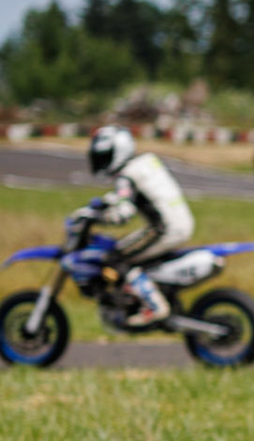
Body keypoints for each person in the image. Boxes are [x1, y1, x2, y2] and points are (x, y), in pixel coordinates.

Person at [71, 126, 194, 328]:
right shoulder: (145, 162)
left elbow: (124, 212)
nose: (101, 161)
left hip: (164, 230)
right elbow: (131, 195)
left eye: (104, 156)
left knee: (115, 257)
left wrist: (97, 217)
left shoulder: (126, 176)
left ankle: (154, 307)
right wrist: (107, 202)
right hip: (179, 224)